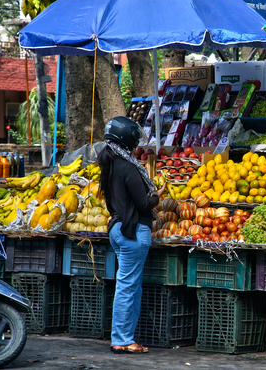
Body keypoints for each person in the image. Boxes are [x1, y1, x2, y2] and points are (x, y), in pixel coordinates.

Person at [97, 116, 166, 354]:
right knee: (127, 287)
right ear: (127, 139)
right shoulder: (128, 167)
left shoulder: (110, 162)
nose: (136, 145)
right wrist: (158, 194)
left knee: (130, 286)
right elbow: (143, 203)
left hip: (118, 228)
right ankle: (121, 339)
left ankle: (125, 337)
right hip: (133, 231)